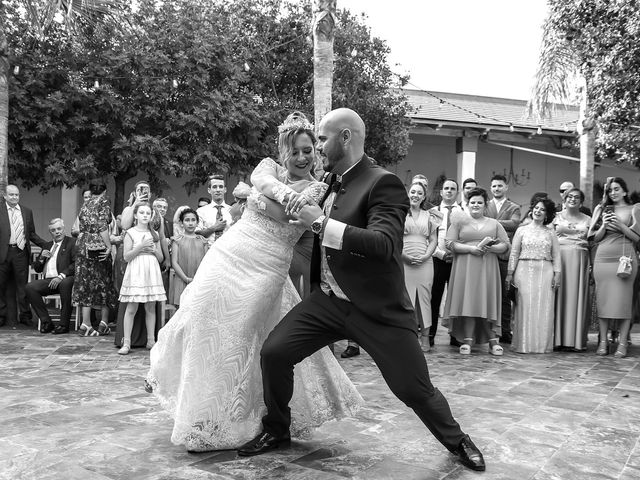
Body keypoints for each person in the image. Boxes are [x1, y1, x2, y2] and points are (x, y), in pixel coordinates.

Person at [238, 108, 485, 472]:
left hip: (376, 309)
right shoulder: (331, 180)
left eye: (322, 139)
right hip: (327, 302)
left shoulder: (382, 182)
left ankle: (457, 440)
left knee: (412, 388)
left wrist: (320, 223)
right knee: (275, 352)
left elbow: (384, 244)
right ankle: (276, 430)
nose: (318, 147)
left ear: (346, 138)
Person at [146, 111, 363, 452]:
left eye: (309, 150)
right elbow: (263, 184)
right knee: (202, 315)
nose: (303, 157)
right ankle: (199, 412)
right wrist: (262, 192)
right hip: (229, 255)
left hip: (266, 268)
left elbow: (287, 213)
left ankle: (238, 415)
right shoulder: (267, 167)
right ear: (283, 152)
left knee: (240, 336)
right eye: (296, 151)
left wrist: (255, 197)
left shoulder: (319, 189)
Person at [443, 187, 510, 356]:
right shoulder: (459, 222)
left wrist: (491, 249)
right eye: (472, 202)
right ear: (467, 203)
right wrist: (470, 249)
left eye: (479, 202)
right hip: (465, 266)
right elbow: (449, 243)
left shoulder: (494, 223)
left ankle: (493, 341)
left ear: (485, 204)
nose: (476, 205)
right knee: (469, 300)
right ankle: (467, 339)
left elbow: (505, 245)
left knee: (487, 299)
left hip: (488, 266)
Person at [589, 177, 640, 358]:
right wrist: (603, 224)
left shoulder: (635, 208)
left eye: (617, 189)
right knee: (603, 301)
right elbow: (593, 237)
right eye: (610, 190)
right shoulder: (601, 208)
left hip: (625, 259)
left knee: (624, 302)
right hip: (602, 258)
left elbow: (637, 238)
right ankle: (602, 342)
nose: (613, 193)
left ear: (625, 191)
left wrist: (619, 225)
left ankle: (623, 343)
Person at [507, 196, 561, 354]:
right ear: (531, 209)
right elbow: (514, 253)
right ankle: (523, 344)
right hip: (523, 270)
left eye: (542, 209)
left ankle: (541, 346)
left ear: (547, 214)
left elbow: (557, 255)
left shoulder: (551, 232)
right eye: (536, 208)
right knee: (524, 307)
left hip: (545, 270)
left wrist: (557, 274)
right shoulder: (521, 230)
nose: (538, 211)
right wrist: (509, 274)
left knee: (543, 309)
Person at [118, 203, 166, 355]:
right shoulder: (130, 233)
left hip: (151, 269)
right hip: (136, 269)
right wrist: (140, 246)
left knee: (150, 307)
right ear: (136, 215)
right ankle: (126, 342)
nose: (145, 215)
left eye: (148, 213)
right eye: (142, 212)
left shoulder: (154, 234)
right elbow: (126, 257)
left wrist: (153, 250)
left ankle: (151, 340)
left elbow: (160, 258)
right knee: (132, 307)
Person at [72, 179, 118, 336]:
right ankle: (103, 323)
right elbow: (102, 227)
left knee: (85, 283)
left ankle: (86, 324)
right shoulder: (103, 202)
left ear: (91, 191)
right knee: (104, 282)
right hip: (97, 246)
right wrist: (109, 246)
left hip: (83, 244)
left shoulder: (85, 204)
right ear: (105, 191)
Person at [0, 184, 48, 328]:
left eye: (17, 195)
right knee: (0, 286)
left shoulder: (26, 211)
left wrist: (47, 245)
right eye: (11, 195)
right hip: (3, 253)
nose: (15, 197)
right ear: (5, 196)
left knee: (23, 287)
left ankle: (25, 315)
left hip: (20, 252)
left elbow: (31, 234)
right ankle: (1, 316)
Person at [552, 188, 591, 351]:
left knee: (577, 297)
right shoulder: (555, 217)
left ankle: (575, 340)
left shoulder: (589, 219)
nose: (573, 199)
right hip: (560, 258)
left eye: (576, 197)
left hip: (580, 260)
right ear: (564, 199)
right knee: (559, 296)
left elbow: (593, 240)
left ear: (581, 201)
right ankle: (557, 340)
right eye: (569, 196)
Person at [485, 174, 521, 344]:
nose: (497, 189)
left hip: (504, 256)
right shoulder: (485, 205)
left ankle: (505, 330)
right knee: (486, 293)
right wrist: (499, 224)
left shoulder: (514, 207)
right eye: (494, 186)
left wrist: (491, 222)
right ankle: (486, 329)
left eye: (500, 186)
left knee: (505, 296)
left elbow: (514, 224)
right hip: (486, 255)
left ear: (506, 187)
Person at [403, 180, 438, 349]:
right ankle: (407, 337)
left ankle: (425, 337)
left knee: (424, 299)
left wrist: (425, 256)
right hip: (404, 260)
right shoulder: (400, 213)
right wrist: (404, 256)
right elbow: (394, 238)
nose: (415, 195)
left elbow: (433, 239)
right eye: (413, 192)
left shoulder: (430, 216)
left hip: (425, 262)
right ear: (408, 193)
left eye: (419, 193)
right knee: (405, 299)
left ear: (423, 197)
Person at [428, 179, 463, 347]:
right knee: (434, 298)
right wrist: (440, 254)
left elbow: (464, 236)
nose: (449, 191)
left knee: (456, 298)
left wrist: (457, 253)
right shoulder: (433, 212)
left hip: (457, 261)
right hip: (438, 260)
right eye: (446, 188)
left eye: (453, 189)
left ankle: (455, 335)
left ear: (457, 192)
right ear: (441, 192)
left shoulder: (463, 212)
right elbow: (428, 237)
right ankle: (431, 334)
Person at [26, 218, 76, 334]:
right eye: (53, 230)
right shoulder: (47, 245)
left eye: (59, 229)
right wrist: (42, 258)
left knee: (65, 283)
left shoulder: (72, 242)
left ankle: (64, 325)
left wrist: (61, 276)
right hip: (49, 281)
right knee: (30, 287)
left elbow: (76, 263)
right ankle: (46, 322)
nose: (57, 232)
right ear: (50, 232)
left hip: (65, 278)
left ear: (64, 229)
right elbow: (38, 269)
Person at [169, 208, 208, 307]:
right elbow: (174, 262)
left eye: (193, 220)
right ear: (181, 223)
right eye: (187, 220)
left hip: (198, 280)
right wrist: (186, 278)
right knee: (181, 308)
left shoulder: (203, 241)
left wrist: (197, 279)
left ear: (197, 222)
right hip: (181, 279)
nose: (190, 223)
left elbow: (206, 263)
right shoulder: (177, 240)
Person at [196, 175, 232, 244]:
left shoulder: (232, 211)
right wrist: (214, 228)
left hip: (228, 251)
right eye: (214, 187)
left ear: (225, 190)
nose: (218, 190)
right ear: (209, 190)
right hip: (208, 250)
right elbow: (197, 234)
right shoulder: (201, 211)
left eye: (221, 187)